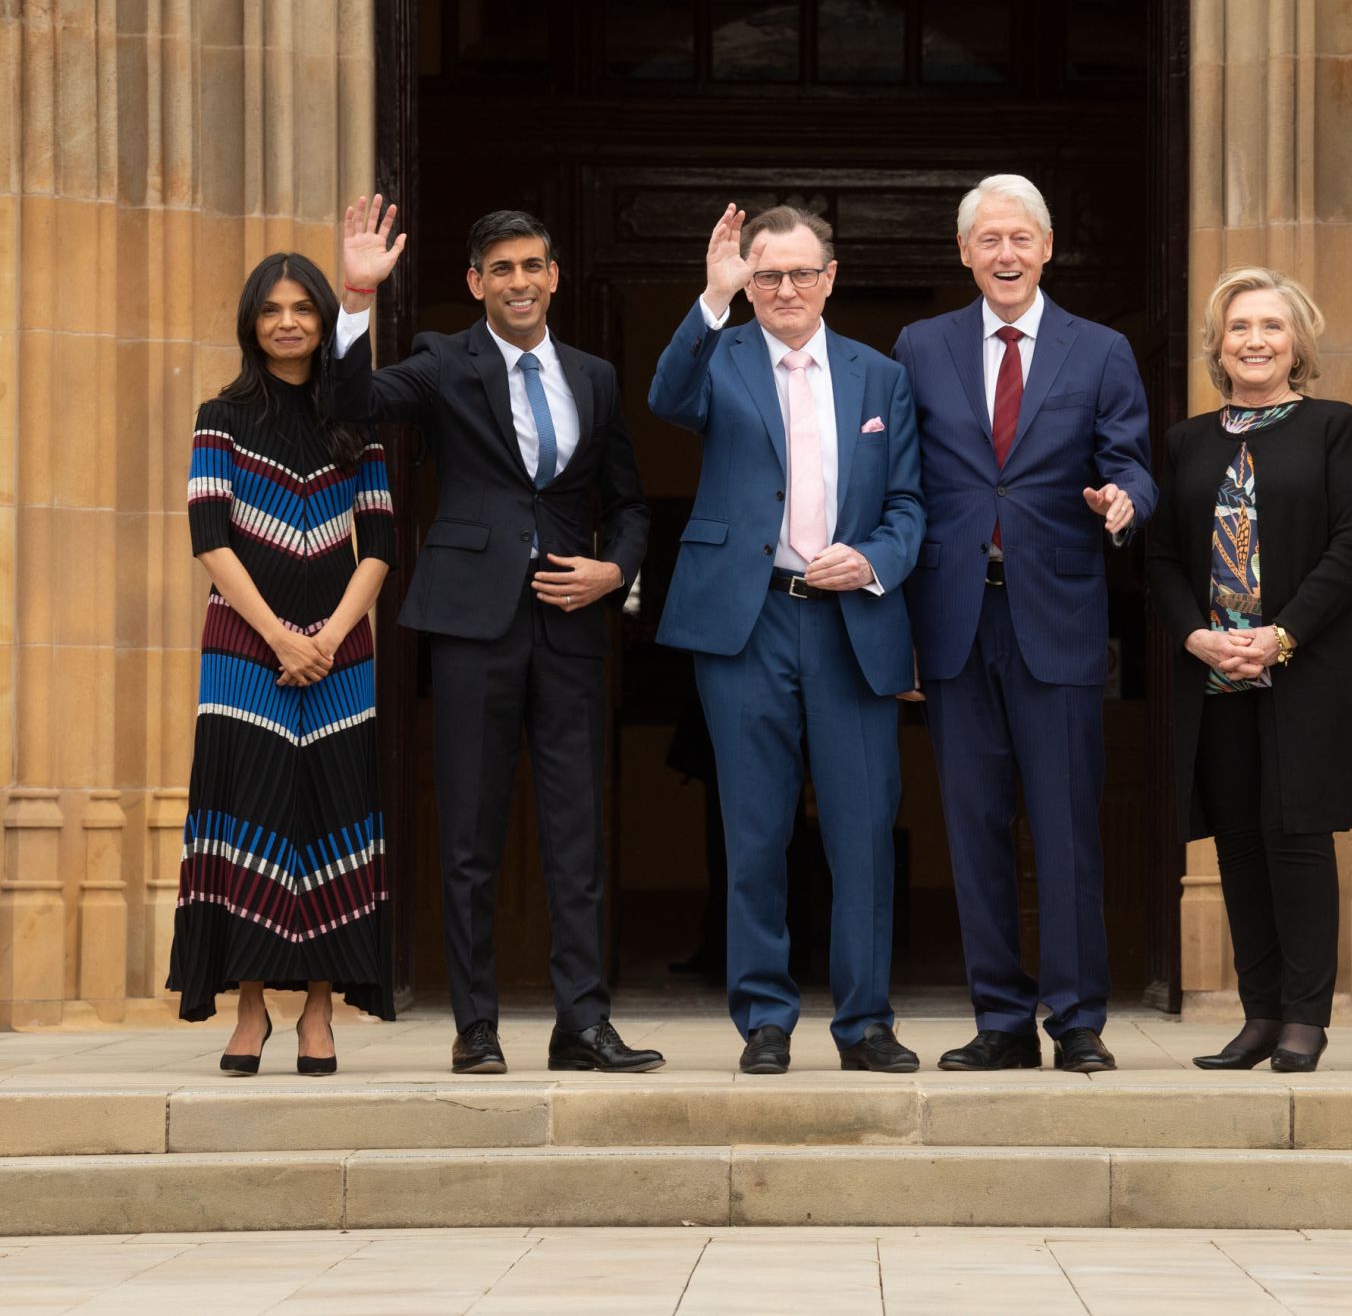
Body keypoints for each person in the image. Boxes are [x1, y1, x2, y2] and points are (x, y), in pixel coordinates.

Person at [327, 197, 662, 1074]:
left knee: (576, 835)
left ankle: (582, 1023)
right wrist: (356, 297)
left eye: (532, 266)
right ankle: (475, 1026)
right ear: (476, 283)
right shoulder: (445, 360)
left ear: (554, 276)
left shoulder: (594, 375)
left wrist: (614, 572)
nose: (519, 281)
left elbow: (630, 502)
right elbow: (352, 399)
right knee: (471, 835)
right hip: (473, 624)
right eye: (501, 269)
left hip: (572, 627)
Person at [647, 204, 925, 1075]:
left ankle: (865, 1022)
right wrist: (712, 297)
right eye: (767, 275)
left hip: (851, 621)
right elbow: (665, 398)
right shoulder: (720, 356)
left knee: (862, 831)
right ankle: (764, 1019)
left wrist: (872, 559)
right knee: (754, 830)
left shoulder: (881, 377)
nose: (786, 289)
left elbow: (910, 505)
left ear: (830, 278)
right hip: (748, 619)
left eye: (802, 273)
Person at [892, 174, 1155, 1072]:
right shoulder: (920, 346)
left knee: (1066, 824)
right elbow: (898, 480)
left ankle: (1077, 1019)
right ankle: (1001, 1019)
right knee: (974, 827)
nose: (1005, 254)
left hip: (1059, 613)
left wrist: (1125, 498)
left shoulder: (1101, 350)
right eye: (989, 239)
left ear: (1047, 248)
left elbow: (1131, 460)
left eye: (1021, 238)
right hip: (954, 618)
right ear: (965, 252)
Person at [1146, 267, 1352, 1074]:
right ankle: (1261, 1014)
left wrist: (1282, 635)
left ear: (1297, 342)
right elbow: (1162, 555)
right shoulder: (1187, 441)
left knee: (1298, 837)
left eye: (1271, 326)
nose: (1254, 341)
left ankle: (1307, 1017)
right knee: (1239, 844)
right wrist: (1194, 636)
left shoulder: (1334, 426)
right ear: (1218, 346)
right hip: (1215, 673)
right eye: (1239, 327)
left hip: (1305, 664)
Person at [171, 252, 395, 1076]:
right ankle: (251, 1004)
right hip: (243, 648)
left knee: (332, 814)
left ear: (325, 321)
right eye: (272, 309)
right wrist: (279, 636)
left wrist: (328, 636)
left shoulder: (358, 420)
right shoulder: (219, 417)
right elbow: (209, 537)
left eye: (304, 308)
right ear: (251, 323)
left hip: (342, 648)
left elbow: (380, 543)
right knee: (249, 811)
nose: (288, 322)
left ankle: (320, 1009)